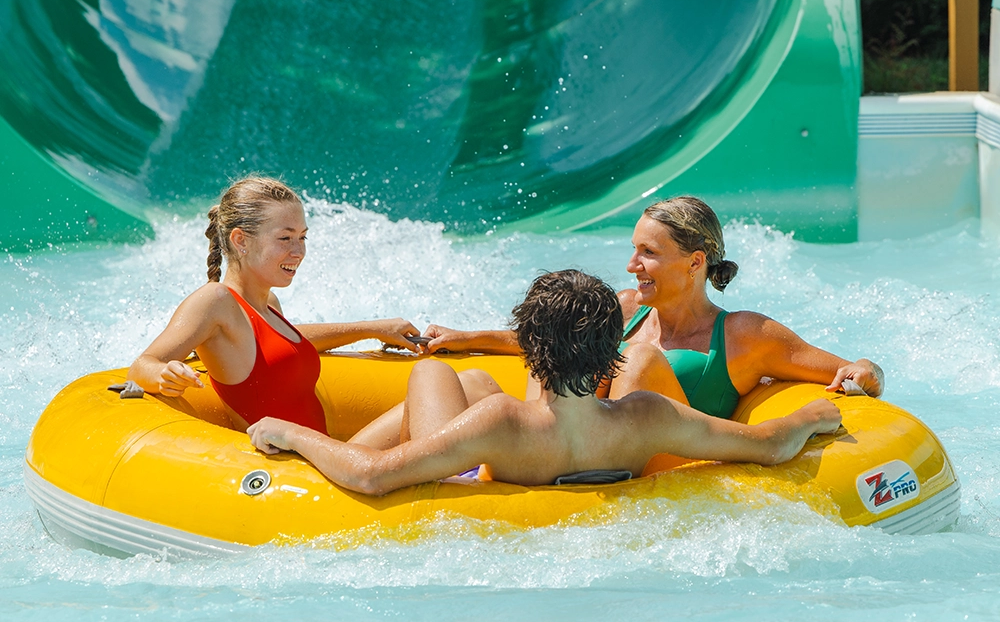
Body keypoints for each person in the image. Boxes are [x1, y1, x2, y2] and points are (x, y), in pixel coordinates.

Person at [248, 270, 842, 495]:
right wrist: (813, 416)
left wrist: (291, 434)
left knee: (433, 370)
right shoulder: (644, 417)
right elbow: (767, 446)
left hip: (469, 472)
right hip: (589, 447)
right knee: (477, 378)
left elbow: (371, 478)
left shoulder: (501, 424)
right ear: (612, 350)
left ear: (531, 350)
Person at [417, 196, 884, 420]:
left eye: (648, 253)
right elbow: (554, 343)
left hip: (649, 467)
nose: (631, 265)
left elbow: (850, 368)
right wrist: (466, 337)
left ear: (695, 262)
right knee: (473, 384)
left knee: (639, 362)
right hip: (571, 443)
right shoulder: (624, 310)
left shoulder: (744, 335)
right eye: (633, 249)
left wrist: (866, 369)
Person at [127, 176, 421, 435]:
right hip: (293, 469)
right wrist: (164, 375)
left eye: (302, 237)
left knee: (453, 385)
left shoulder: (268, 303)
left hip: (323, 454)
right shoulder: (215, 301)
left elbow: (282, 345)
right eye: (285, 238)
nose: (299, 251)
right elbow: (143, 365)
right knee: (432, 382)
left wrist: (373, 329)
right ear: (241, 240)